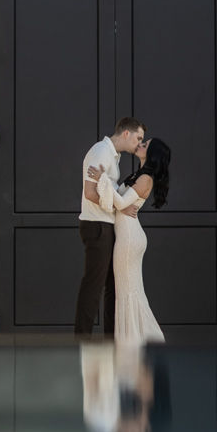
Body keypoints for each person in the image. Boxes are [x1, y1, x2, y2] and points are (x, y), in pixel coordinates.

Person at [74, 115, 145, 337]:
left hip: (105, 225)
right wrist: (120, 206)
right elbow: (90, 192)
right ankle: (82, 340)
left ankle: (111, 340)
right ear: (126, 133)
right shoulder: (101, 151)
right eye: (138, 138)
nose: (139, 144)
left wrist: (118, 204)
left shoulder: (113, 156)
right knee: (93, 285)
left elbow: (105, 190)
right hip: (97, 225)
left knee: (111, 287)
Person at [104, 136, 171, 346]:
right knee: (128, 292)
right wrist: (116, 199)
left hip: (129, 239)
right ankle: (137, 343)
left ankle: (138, 343)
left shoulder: (146, 178)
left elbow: (121, 202)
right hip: (128, 236)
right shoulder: (138, 175)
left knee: (128, 293)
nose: (140, 145)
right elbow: (120, 202)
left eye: (145, 145)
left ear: (152, 154)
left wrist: (102, 179)